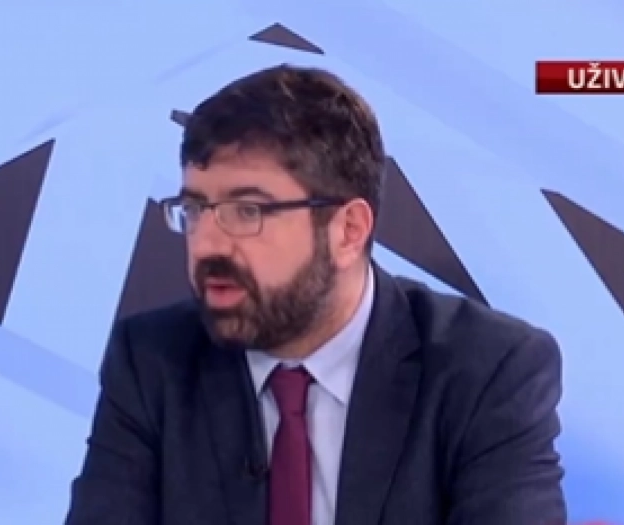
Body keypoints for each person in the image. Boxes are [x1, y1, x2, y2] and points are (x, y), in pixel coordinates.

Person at [65, 64, 567, 525]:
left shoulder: (486, 370)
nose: (208, 244)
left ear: (348, 231)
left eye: (248, 211)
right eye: (196, 209)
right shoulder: (153, 362)